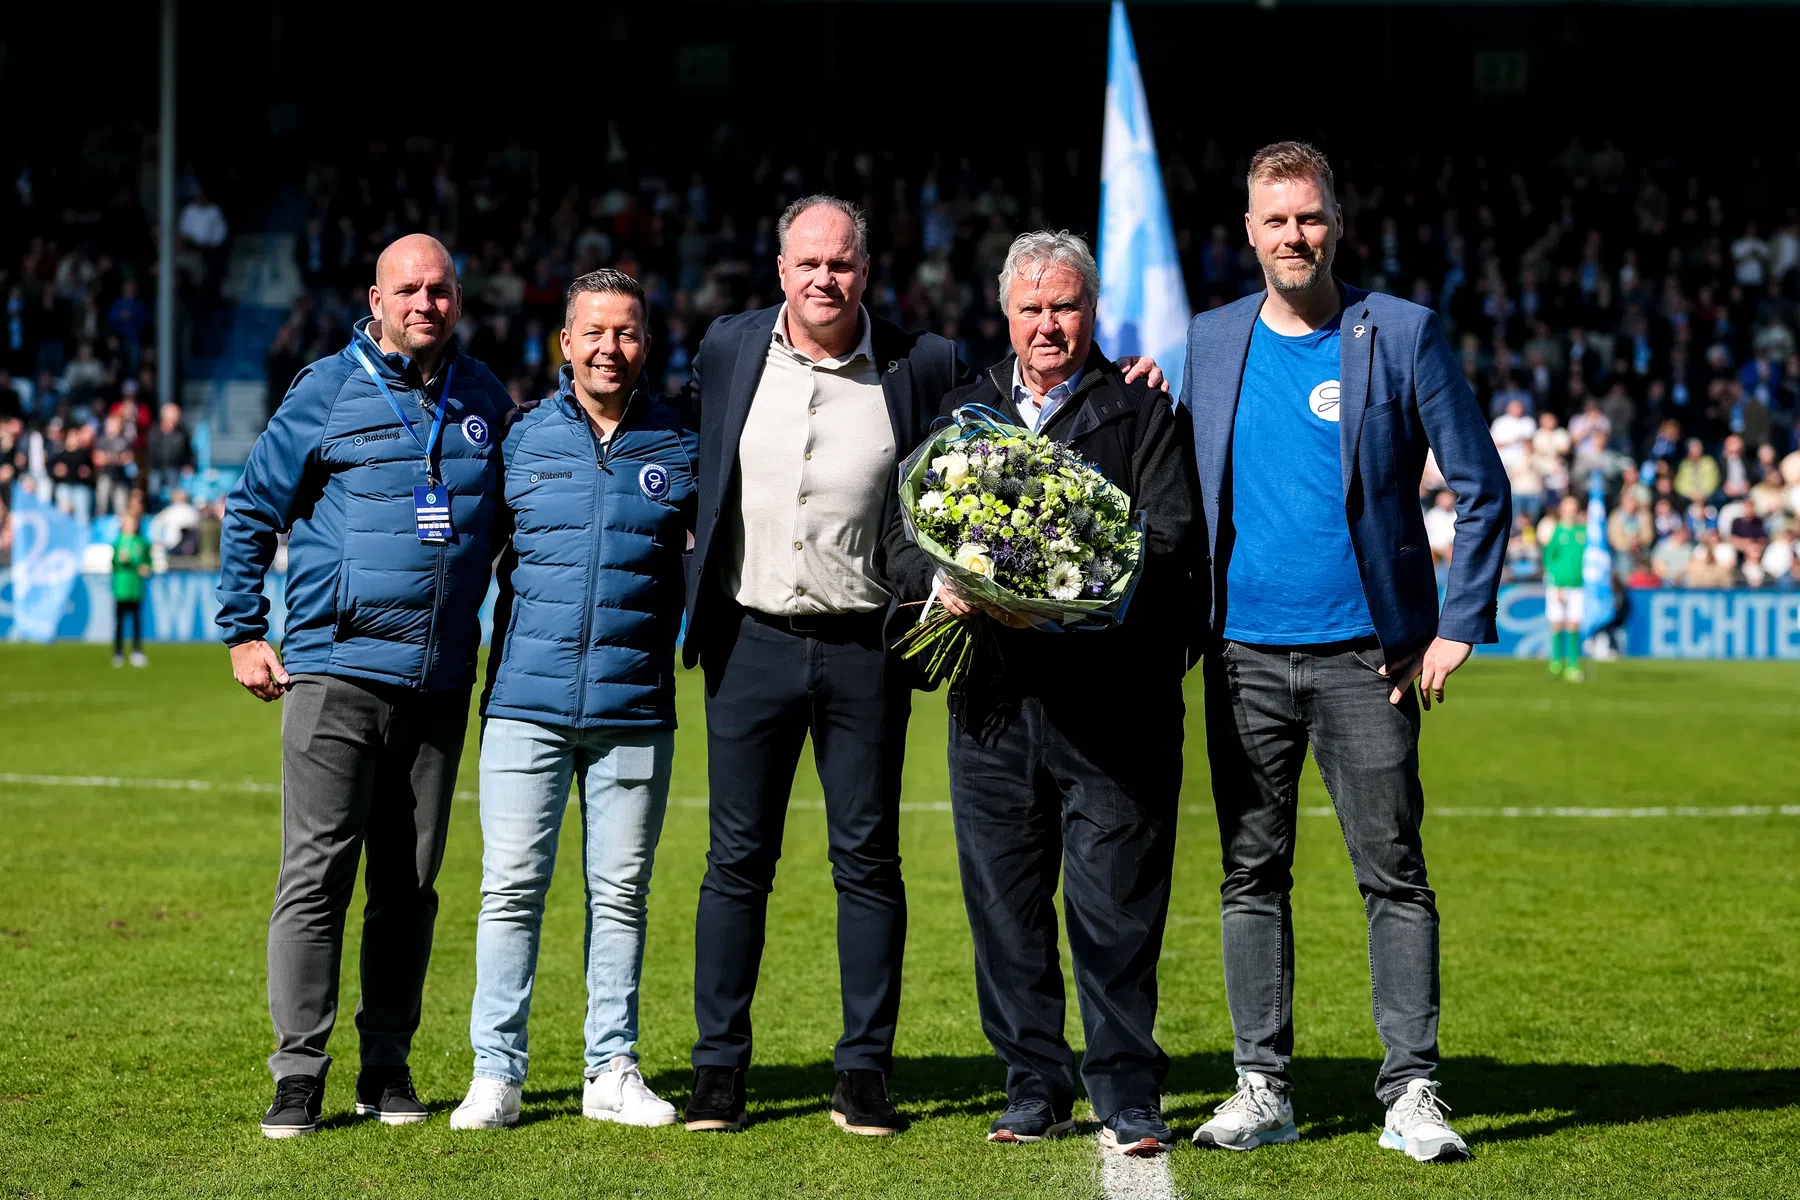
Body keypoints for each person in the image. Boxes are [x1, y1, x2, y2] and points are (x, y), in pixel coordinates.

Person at [678, 195, 1165, 1138]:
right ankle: (717, 1073)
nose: (827, 278)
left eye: (845, 263)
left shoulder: (923, 364)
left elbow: (928, 497)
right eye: (810, 262)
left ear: (869, 270)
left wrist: (1126, 374)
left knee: (868, 862)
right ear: (780, 270)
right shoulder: (726, 349)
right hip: (750, 645)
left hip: (868, 650)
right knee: (735, 863)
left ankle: (864, 1073)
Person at [1183, 142, 1508, 1164]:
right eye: (1275, 220)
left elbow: (1481, 485)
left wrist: (1456, 626)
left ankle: (1411, 1090)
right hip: (1239, 657)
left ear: (1336, 221)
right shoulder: (1209, 338)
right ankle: (1261, 1086)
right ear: (1248, 231)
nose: (1294, 236)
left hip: (1371, 659)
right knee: (1249, 876)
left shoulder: (1401, 332)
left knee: (1394, 875)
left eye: (1310, 217)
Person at [216, 234, 514, 1139]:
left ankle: (386, 1063)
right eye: (408, 290)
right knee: (315, 878)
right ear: (375, 299)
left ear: (457, 298)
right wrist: (241, 630)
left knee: (410, 885)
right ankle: (298, 1073)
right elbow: (254, 507)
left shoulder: (485, 399)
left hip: (436, 682)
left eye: (440, 289)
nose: (425, 303)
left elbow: (515, 523)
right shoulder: (323, 389)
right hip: (335, 672)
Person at [926, 232, 1199, 1156]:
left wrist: (1073, 596)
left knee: (1117, 902)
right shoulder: (963, 409)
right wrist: (944, 587)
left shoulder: (1142, 409)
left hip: (1113, 707)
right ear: (1006, 317)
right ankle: (1033, 1085)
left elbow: (1170, 540)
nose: (1050, 325)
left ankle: (1126, 1091)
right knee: (1004, 905)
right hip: (994, 708)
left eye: (1066, 307)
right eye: (1033, 309)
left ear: (1092, 312)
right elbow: (906, 530)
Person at [449, 270, 697, 1132]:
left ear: (646, 345)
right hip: (524, 703)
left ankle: (611, 1069)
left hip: (634, 707)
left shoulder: (681, 443)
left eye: (625, 333)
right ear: (565, 343)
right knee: (510, 888)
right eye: (592, 332)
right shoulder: (518, 439)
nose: (608, 348)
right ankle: (497, 1073)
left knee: (620, 894)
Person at [1542, 494, 1588, 681]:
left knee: (1574, 623)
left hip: (1578, 584)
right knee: (1557, 623)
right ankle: (1555, 663)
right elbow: (1549, 559)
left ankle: (1573, 664)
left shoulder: (1583, 532)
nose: (1570, 511)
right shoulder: (1556, 532)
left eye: (1573, 507)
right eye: (1567, 507)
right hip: (1558, 585)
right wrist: (1556, 584)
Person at [110, 512, 151, 668]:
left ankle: (137, 651)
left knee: (136, 621)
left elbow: (148, 561)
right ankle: (118, 652)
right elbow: (113, 562)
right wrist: (120, 560)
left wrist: (146, 568)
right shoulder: (118, 542)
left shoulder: (141, 542)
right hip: (121, 587)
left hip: (135, 588)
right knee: (119, 622)